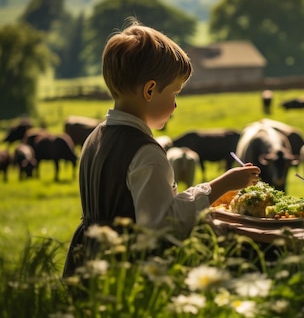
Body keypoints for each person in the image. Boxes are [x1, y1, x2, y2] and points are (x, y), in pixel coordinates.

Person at [63, 19, 261, 277]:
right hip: (125, 271)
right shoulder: (145, 153)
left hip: (87, 257)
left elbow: (156, 205)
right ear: (150, 90)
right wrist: (220, 185)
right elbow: (163, 224)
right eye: (175, 93)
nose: (176, 105)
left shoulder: (95, 137)